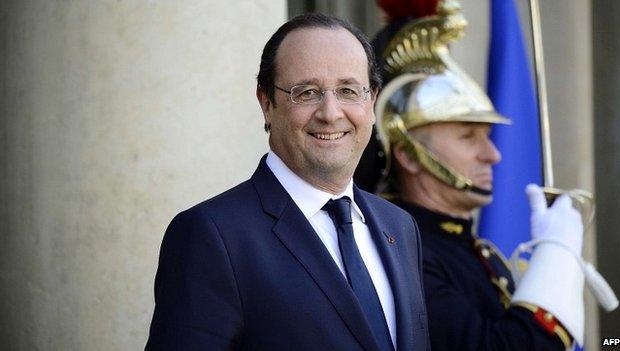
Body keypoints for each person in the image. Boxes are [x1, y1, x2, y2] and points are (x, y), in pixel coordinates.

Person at [145, 13, 430, 351]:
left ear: (371, 102)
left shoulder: (399, 226)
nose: (331, 112)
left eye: (348, 90)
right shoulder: (212, 235)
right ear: (267, 104)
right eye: (307, 92)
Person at [356, 1, 586, 350]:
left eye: (487, 136)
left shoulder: (476, 251)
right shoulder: (404, 255)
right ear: (408, 156)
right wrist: (557, 259)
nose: (492, 154)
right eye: (468, 136)